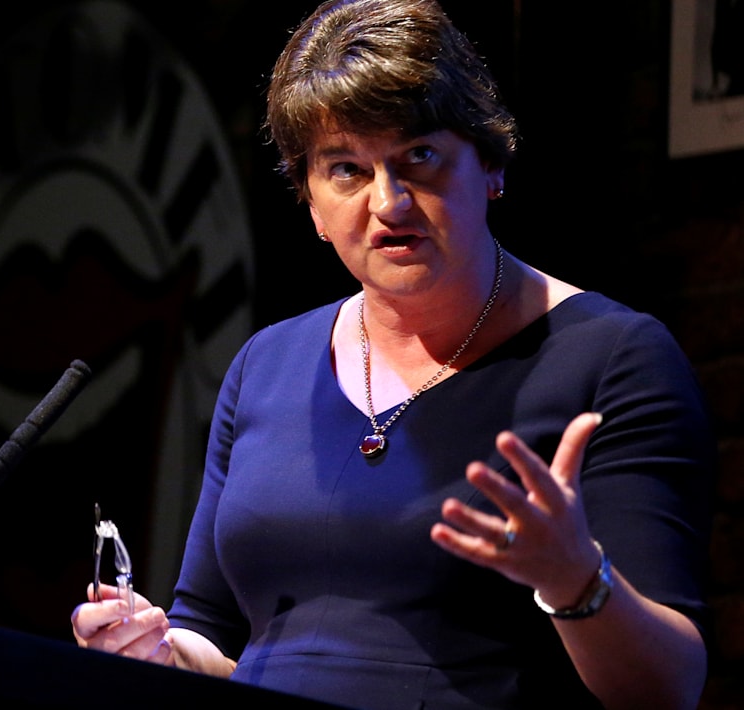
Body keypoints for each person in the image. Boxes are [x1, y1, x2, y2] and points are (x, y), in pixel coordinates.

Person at [69, 1, 717, 708]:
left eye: (419, 157)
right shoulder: (267, 365)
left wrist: (575, 580)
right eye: (347, 169)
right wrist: (154, 650)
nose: (389, 202)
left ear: (490, 164)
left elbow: (667, 688)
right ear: (311, 204)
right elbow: (212, 633)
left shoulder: (612, 359)